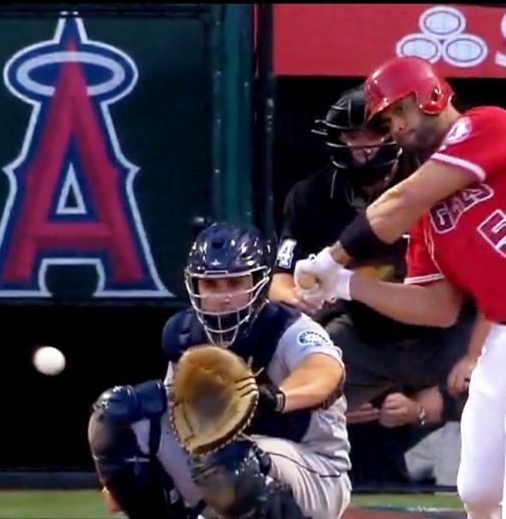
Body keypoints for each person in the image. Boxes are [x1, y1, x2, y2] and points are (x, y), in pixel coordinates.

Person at [294, 56, 506, 519]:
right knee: (477, 488)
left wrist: (333, 258)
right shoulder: (430, 214)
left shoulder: (488, 126)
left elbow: (404, 198)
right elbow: (436, 309)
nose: (394, 127)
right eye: (386, 120)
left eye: (398, 112)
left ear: (430, 96)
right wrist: (349, 285)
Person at [87, 222, 352, 518]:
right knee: (120, 413)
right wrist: (123, 476)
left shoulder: (288, 328)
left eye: (236, 283)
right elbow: (180, 417)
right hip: (223, 464)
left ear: (259, 284)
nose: (223, 297)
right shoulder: (186, 335)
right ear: (195, 285)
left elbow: (325, 373)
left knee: (230, 461)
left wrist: (271, 399)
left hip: (315, 470)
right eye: (211, 285)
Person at [269, 85, 475, 413]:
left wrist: (429, 406)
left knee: (496, 374)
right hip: (362, 335)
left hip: (441, 335)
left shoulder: (434, 181)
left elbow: (456, 305)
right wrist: (297, 298)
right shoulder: (310, 195)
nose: (364, 147)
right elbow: (280, 280)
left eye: (375, 132)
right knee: (291, 392)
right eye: (353, 136)